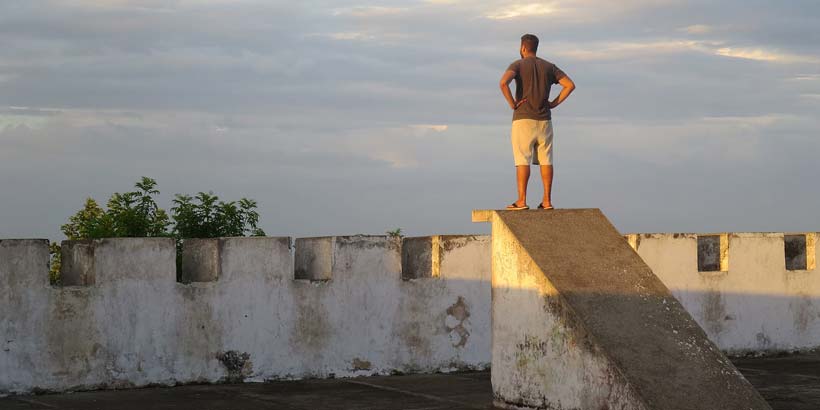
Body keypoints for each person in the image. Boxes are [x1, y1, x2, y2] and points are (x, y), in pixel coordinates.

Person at [499, 33, 575, 210]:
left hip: (523, 119)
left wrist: (513, 104)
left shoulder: (517, 64)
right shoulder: (549, 66)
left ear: (523, 48)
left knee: (522, 160)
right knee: (546, 160)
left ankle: (521, 201)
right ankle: (547, 201)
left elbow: (503, 83)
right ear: (536, 47)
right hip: (545, 120)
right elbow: (570, 85)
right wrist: (553, 104)